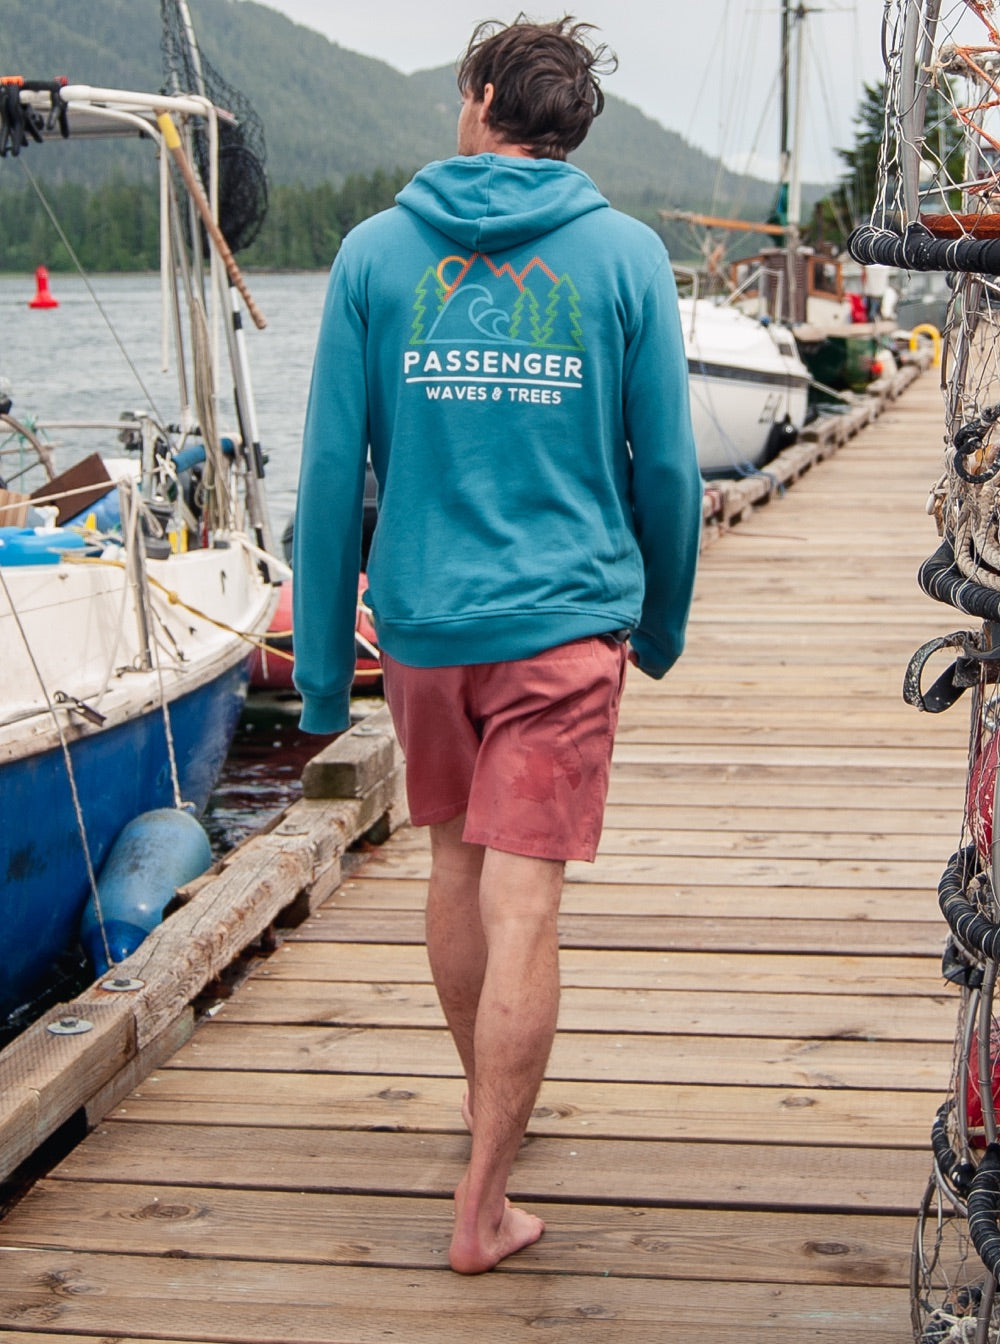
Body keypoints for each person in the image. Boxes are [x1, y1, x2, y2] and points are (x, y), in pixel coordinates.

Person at [292, 15, 703, 1274]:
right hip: (564, 624)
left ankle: (488, 1127)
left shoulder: (374, 254)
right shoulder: (625, 256)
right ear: (571, 126)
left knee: (456, 872)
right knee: (529, 895)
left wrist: (320, 673)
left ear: (476, 100)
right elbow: (670, 472)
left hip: (422, 625)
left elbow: (324, 476)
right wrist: (665, 623)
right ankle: (485, 1197)